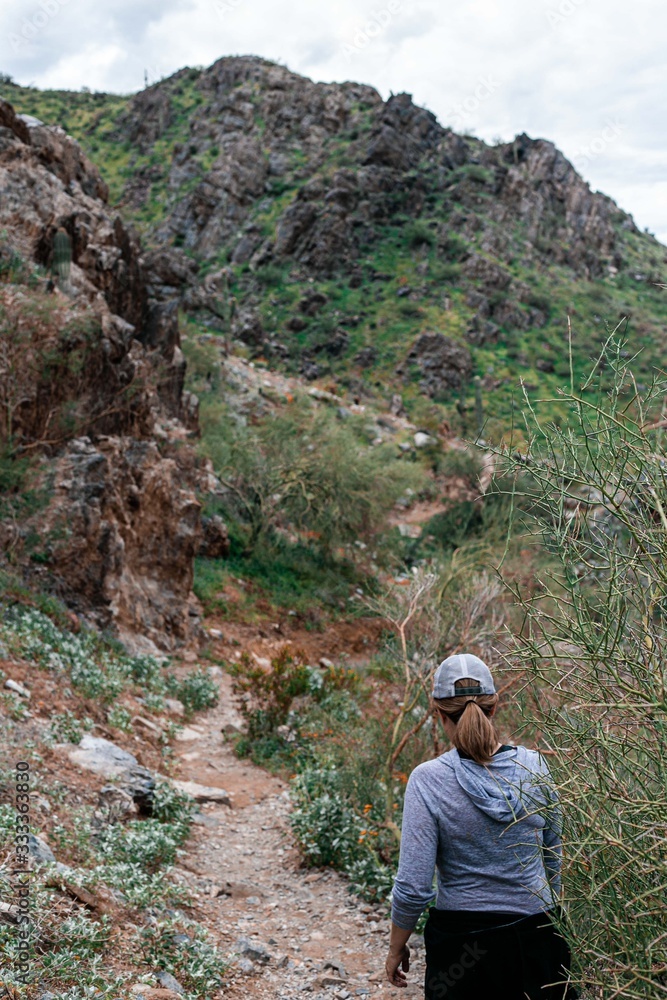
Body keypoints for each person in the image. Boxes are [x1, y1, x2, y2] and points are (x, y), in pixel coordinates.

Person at [385, 653, 577, 1000]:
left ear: (438, 713)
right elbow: (553, 859)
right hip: (539, 936)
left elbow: (414, 886)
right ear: (494, 707)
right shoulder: (536, 768)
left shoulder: (428, 781)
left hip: (463, 948)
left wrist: (396, 946)